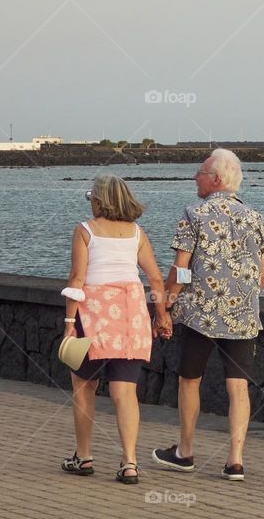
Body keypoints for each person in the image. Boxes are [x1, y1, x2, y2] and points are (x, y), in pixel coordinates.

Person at [152, 148, 264, 481]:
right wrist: (239, 295)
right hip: (244, 315)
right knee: (238, 387)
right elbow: (263, 276)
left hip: (200, 314)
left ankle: (185, 452)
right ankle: (235, 461)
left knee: (190, 380)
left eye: (200, 173)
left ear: (215, 179)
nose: (195, 178)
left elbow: (182, 268)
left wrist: (167, 301)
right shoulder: (256, 217)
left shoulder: (194, 214)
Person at [60, 174, 172, 484]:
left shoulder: (84, 231)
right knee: (125, 391)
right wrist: (161, 315)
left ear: (98, 200)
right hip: (130, 315)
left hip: (92, 314)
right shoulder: (137, 233)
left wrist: (70, 324)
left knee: (84, 387)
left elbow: (76, 279)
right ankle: (130, 462)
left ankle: (83, 456)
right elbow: (156, 279)